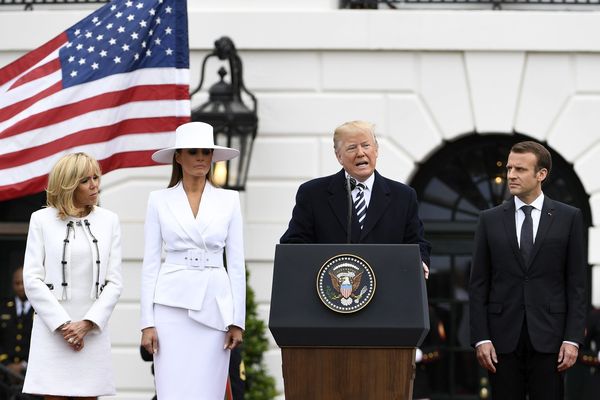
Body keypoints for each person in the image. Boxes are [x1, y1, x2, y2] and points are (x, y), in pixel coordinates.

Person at [469, 141, 587, 400]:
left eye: (520, 169)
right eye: (510, 168)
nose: (511, 175)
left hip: (551, 339)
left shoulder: (569, 217)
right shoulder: (489, 219)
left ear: (541, 174)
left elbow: (576, 283)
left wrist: (572, 338)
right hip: (501, 340)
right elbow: (478, 284)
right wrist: (481, 338)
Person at [140, 121, 246, 400]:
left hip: (214, 306)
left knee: (209, 391)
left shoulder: (229, 200)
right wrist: (146, 323)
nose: (201, 157)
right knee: (172, 390)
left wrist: (238, 320)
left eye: (206, 152)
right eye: (193, 151)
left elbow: (236, 264)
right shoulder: (158, 200)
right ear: (178, 156)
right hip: (170, 307)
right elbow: (150, 264)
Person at [21, 153, 123, 399]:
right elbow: (32, 279)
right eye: (85, 180)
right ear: (67, 184)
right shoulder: (41, 220)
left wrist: (87, 324)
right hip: (53, 329)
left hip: (93, 330)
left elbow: (115, 281)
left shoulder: (109, 220)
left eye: (96, 177)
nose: (94, 184)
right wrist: (65, 326)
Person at [280, 120, 431, 271]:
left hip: (387, 288)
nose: (360, 153)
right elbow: (294, 243)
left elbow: (417, 243)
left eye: (366, 145)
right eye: (352, 148)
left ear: (376, 150)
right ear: (339, 156)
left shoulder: (404, 196)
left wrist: (420, 260)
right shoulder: (312, 193)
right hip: (331, 287)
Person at [0, 268, 34, 382]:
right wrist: (5, 363)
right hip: (4, 370)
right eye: (17, 283)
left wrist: (24, 365)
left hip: (31, 370)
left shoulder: (39, 309)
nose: (20, 287)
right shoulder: (3, 307)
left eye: (23, 283)